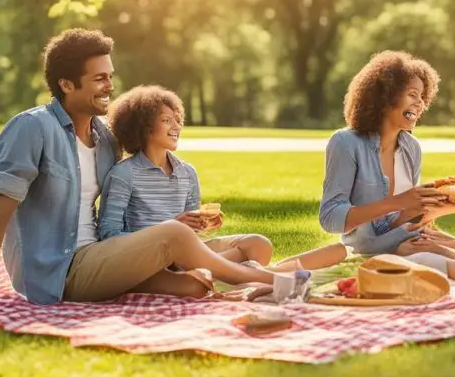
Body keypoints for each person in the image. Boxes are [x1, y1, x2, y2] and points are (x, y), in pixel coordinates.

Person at [0, 29, 278, 305]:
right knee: (177, 235)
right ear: (67, 84)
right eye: (99, 78)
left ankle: (214, 275)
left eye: (110, 77)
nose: (110, 87)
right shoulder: (32, 128)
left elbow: (133, 187)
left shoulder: (105, 138)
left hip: (103, 254)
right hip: (59, 270)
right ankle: (270, 280)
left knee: (196, 281)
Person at [98, 85, 344, 272]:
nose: (176, 126)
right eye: (166, 120)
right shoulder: (123, 175)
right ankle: (261, 274)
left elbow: (190, 235)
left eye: (177, 119)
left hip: (187, 258)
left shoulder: (187, 173)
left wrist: (201, 225)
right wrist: (170, 229)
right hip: (148, 261)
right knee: (230, 259)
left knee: (259, 245)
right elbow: (109, 237)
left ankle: (223, 272)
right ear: (143, 127)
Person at [317, 50, 455, 283]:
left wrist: (437, 207)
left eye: (422, 97)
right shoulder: (346, 143)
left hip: (407, 242)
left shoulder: (411, 148)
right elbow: (330, 218)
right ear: (385, 96)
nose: (419, 104)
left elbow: (402, 221)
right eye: (412, 95)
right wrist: (399, 202)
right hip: (369, 252)